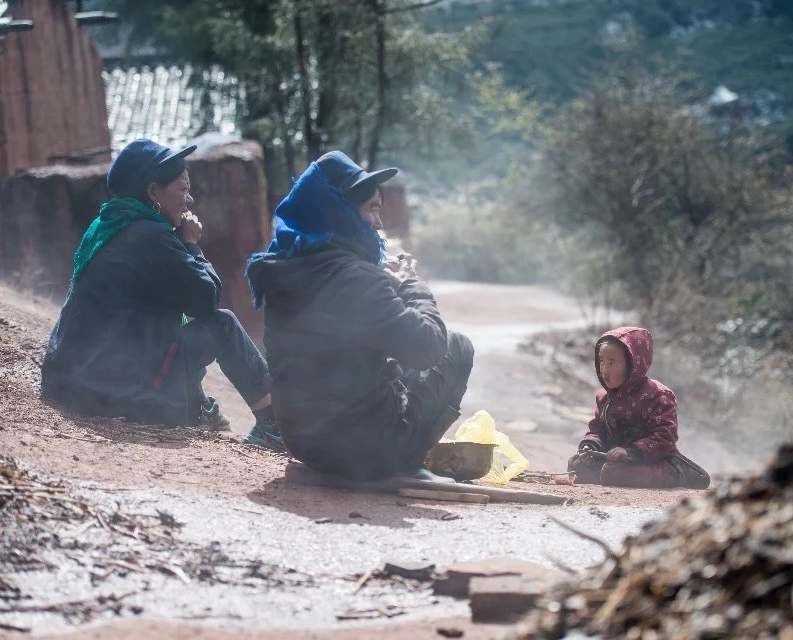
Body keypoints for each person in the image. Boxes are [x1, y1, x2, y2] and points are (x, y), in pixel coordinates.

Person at [245, 150, 474, 481]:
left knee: (395, 355)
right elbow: (429, 347)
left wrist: (387, 286)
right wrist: (411, 285)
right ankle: (407, 462)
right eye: (372, 209)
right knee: (457, 346)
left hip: (305, 444)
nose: (378, 223)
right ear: (339, 212)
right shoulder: (356, 276)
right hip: (365, 451)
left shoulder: (286, 267)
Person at [41, 138, 281, 446]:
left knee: (172, 321)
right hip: (109, 392)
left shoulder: (108, 226)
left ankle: (195, 405)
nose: (189, 199)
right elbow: (206, 299)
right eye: (182, 189)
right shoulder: (148, 236)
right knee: (222, 325)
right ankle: (273, 425)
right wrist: (191, 244)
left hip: (73, 383)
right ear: (153, 192)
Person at [567, 326, 710, 489]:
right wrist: (590, 446)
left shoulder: (658, 395)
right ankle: (612, 472)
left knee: (614, 473)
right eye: (601, 361)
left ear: (634, 364)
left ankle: (677, 474)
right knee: (577, 465)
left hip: (653, 460)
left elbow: (665, 437)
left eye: (612, 363)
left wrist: (630, 453)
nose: (604, 370)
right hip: (613, 458)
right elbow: (597, 430)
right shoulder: (604, 396)